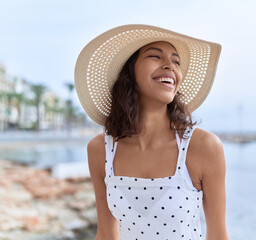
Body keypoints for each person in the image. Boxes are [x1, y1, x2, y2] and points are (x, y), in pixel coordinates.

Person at [74, 24, 228, 240]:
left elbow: (218, 236)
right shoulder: (101, 150)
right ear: (129, 71)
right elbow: (106, 234)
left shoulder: (203, 147)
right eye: (155, 56)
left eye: (176, 61)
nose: (170, 66)